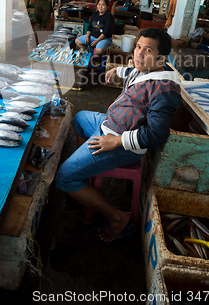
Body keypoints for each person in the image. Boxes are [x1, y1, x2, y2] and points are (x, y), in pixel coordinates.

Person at [56, 28, 182, 245]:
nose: (139, 54)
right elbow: (131, 71)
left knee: (63, 178)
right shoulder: (145, 69)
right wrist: (117, 71)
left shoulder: (163, 89)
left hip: (121, 146)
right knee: (79, 119)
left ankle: (118, 218)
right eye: (138, 47)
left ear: (161, 58)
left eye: (147, 50)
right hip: (107, 124)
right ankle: (85, 176)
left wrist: (115, 141)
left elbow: (156, 134)